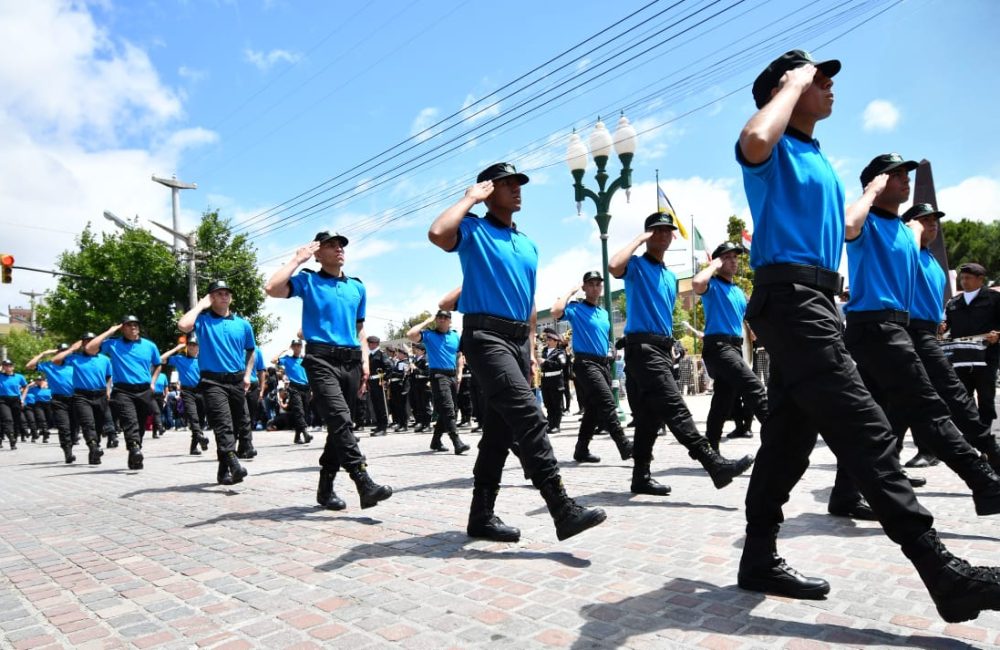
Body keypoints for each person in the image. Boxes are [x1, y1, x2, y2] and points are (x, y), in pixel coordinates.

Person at [733, 49, 1000, 622]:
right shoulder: (774, 147)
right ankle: (944, 572)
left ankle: (757, 558)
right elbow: (752, 139)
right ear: (786, 86)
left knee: (786, 442)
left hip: (815, 302)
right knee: (869, 429)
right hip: (792, 301)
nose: (828, 86)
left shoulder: (815, 155)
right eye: (817, 78)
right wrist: (791, 84)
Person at [429, 162, 606, 543]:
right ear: (488, 191)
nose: (517, 189)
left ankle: (481, 516)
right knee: (529, 415)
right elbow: (438, 233)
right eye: (506, 184)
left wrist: (529, 351)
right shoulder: (473, 229)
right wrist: (470, 198)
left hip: (517, 342)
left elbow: (529, 302)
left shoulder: (528, 244)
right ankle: (561, 507)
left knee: (499, 432)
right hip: (485, 336)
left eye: (518, 183)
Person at [831, 152, 1000, 520]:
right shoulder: (867, 222)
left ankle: (844, 494)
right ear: (877, 182)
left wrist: (925, 224)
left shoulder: (908, 233)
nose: (905, 180)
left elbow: (920, 238)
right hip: (875, 328)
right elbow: (846, 225)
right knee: (929, 407)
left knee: (879, 419)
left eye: (906, 175)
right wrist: (871, 191)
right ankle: (985, 481)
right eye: (895, 175)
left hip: (895, 329)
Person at [609, 214, 755, 497]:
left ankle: (641, 477)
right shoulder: (637, 265)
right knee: (675, 407)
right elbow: (614, 265)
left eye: (668, 231)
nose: (663, 234)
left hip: (661, 350)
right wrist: (640, 239)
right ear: (648, 234)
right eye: (657, 230)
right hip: (643, 350)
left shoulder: (669, 276)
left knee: (649, 418)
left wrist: (672, 345)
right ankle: (713, 463)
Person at [265, 230, 392, 511]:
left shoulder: (357, 287)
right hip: (321, 360)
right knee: (340, 419)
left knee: (339, 426)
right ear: (318, 254)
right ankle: (363, 481)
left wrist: (365, 361)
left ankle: (325, 488)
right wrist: (297, 259)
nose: (339, 249)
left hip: (351, 361)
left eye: (341, 245)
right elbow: (272, 288)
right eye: (331, 245)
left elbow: (359, 328)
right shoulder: (308, 280)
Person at [903, 204, 1000, 473]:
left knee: (962, 400)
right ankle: (986, 456)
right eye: (924, 220)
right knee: (948, 397)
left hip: (979, 356)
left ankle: (985, 452)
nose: (932, 224)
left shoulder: (933, 262)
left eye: (934, 220)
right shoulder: (905, 253)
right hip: (909, 333)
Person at [550, 271, 633, 464]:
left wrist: (610, 350)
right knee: (607, 402)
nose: (595, 287)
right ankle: (625, 446)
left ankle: (581, 450)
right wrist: (571, 291)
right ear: (585, 287)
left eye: (598, 284)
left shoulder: (604, 313)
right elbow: (555, 311)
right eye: (591, 284)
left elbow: (603, 337)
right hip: (586, 363)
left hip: (603, 364)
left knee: (593, 410)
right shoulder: (576, 309)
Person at [178, 280, 255, 485]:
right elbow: (183, 325)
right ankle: (234, 463)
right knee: (223, 424)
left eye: (226, 293)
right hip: (212, 381)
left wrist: (247, 375)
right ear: (211, 298)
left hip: (237, 381)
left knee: (238, 424)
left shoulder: (243, 324)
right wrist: (200, 305)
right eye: (218, 293)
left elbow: (251, 350)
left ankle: (223, 472)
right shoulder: (202, 321)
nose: (224, 296)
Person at [86, 315, 162, 470]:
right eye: (128, 325)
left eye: (135, 324)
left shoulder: (149, 345)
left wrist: (153, 382)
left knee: (140, 425)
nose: (133, 327)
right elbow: (89, 348)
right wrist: (110, 331)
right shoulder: (113, 344)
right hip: (123, 391)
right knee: (130, 420)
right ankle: (134, 448)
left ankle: (135, 452)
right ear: (122, 328)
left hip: (144, 390)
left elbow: (158, 364)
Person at [944, 262, 1000, 432]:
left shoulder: (994, 299)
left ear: (980, 279)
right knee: (963, 397)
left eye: (968, 278)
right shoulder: (954, 302)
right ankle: (972, 433)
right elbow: (947, 325)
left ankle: (985, 434)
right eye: (962, 278)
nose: (964, 281)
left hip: (986, 357)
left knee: (986, 397)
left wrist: (998, 334)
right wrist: (942, 326)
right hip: (961, 358)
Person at [406, 309, 470, 453]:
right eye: (439, 317)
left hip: (452, 375)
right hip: (438, 375)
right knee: (448, 407)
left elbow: (459, 355)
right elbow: (410, 334)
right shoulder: (429, 335)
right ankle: (457, 442)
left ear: (450, 320)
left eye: (445, 317)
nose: (441, 319)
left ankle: (436, 441)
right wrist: (426, 321)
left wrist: (459, 373)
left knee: (448, 410)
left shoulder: (455, 336)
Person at [52, 334, 112, 465]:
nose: (89, 344)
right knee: (87, 423)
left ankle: (94, 452)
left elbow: (108, 377)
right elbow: (55, 360)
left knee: (98, 425)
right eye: (85, 342)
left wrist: (108, 390)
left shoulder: (105, 359)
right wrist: (72, 349)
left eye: (92, 341)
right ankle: (93, 446)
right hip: (82, 396)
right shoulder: (75, 358)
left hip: (100, 395)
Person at [28, 345, 78, 462]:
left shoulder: (73, 363)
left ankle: (70, 445)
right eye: (61, 352)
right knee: (64, 427)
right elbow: (29, 366)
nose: (64, 354)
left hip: (75, 399)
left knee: (74, 427)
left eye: (66, 352)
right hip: (58, 400)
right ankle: (68, 452)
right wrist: (43, 353)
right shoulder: (49, 365)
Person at [161, 337, 211, 456]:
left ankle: (194, 447)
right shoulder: (180, 359)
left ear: (198, 347)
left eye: (194, 345)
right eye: (190, 345)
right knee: (193, 417)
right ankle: (200, 436)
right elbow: (160, 359)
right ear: (186, 347)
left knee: (201, 420)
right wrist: (176, 348)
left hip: (201, 392)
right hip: (187, 392)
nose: (192, 347)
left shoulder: (204, 359)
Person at [273, 340, 313, 445]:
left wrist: (312, 389)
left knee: (304, 412)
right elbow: (273, 360)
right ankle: (305, 433)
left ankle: (297, 437)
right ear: (292, 347)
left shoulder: (305, 359)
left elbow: (311, 374)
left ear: (301, 347)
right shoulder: (287, 359)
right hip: (294, 387)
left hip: (306, 387)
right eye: (294, 346)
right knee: (299, 411)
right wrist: (283, 351)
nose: (296, 348)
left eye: (298, 346)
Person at [539, 329, 567, 433]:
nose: (548, 341)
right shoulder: (544, 351)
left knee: (557, 405)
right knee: (548, 404)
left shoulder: (560, 352)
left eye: (550, 340)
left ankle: (556, 425)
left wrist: (545, 362)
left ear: (556, 341)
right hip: (545, 381)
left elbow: (561, 365)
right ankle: (550, 424)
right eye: (547, 339)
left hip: (556, 382)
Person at [243, 346, 267, 456]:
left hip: (253, 386)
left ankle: (243, 446)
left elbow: (261, 371)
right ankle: (247, 445)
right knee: (244, 416)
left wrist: (261, 390)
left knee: (251, 417)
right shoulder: (236, 346)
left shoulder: (257, 350)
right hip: (240, 385)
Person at [365, 335, 391, 436]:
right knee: (375, 405)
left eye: (370, 343)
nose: (368, 345)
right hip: (372, 382)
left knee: (382, 405)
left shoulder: (381, 354)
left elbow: (389, 367)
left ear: (375, 344)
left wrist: (385, 379)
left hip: (380, 382)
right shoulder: (370, 355)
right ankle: (379, 425)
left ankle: (383, 427)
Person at [0, 359, 27, 450]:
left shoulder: (19, 377)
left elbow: (25, 386)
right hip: (2, 400)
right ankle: (11, 437)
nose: (8, 367)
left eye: (9, 365)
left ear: (13, 367)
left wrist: (22, 398)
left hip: (15, 400)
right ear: (3, 367)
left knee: (16, 421)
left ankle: (14, 439)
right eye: (5, 365)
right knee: (8, 419)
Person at [408, 341, 433, 433]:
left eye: (418, 350)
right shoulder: (416, 360)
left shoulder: (426, 359)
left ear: (423, 351)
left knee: (426, 405)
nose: (416, 351)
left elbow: (427, 373)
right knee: (419, 405)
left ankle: (428, 424)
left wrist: (415, 368)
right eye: (416, 349)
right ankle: (422, 423)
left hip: (424, 383)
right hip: (416, 383)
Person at [386, 346, 412, 432]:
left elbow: (402, 374)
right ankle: (400, 423)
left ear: (404, 354)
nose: (398, 354)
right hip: (395, 385)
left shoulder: (404, 363)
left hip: (400, 386)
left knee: (402, 406)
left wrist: (391, 373)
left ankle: (404, 424)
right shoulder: (399, 362)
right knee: (397, 406)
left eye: (400, 353)